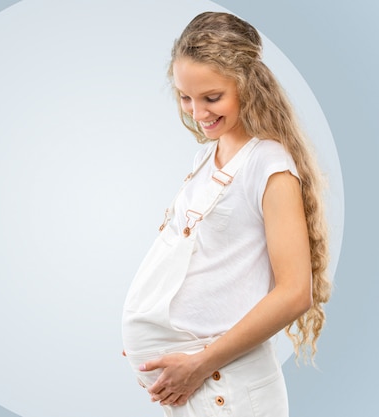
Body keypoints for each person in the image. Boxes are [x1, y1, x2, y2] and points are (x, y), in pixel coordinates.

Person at [121, 11, 331, 417]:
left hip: (226, 388)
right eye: (185, 96)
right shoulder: (207, 157)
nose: (197, 113)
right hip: (200, 388)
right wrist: (153, 329)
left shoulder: (268, 165)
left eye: (211, 97)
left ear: (248, 87)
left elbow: (294, 293)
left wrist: (199, 363)